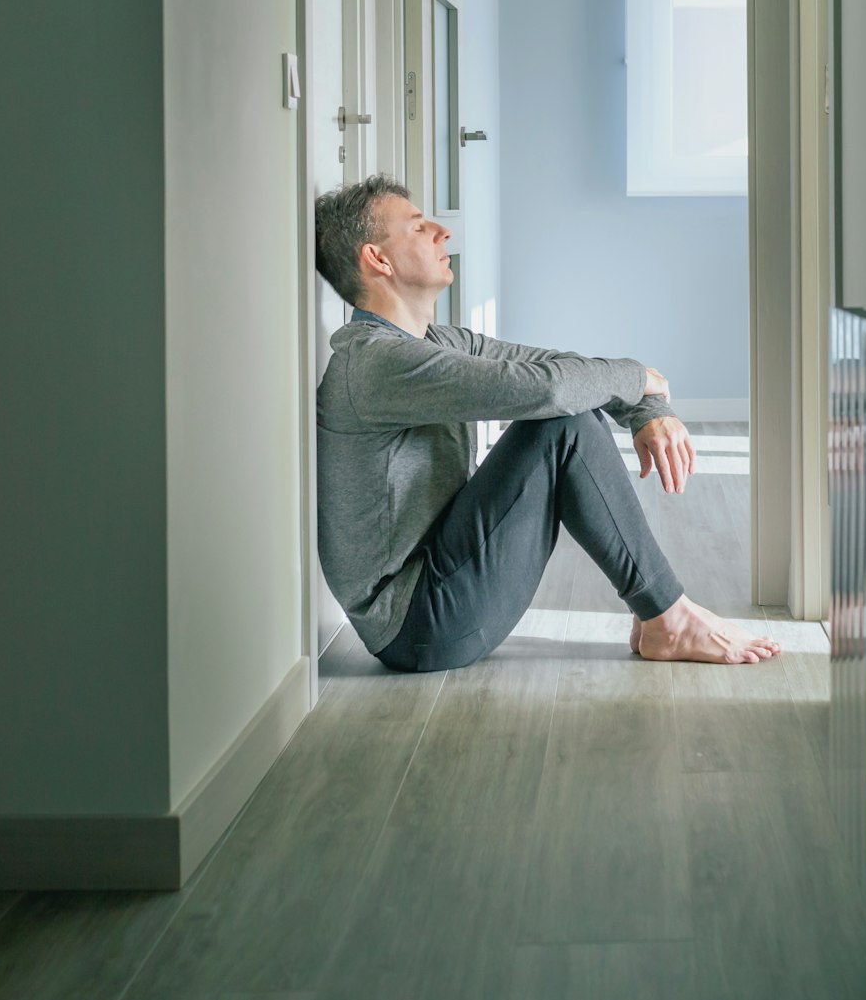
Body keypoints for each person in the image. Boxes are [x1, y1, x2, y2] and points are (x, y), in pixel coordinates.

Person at [312, 175, 783, 673]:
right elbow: (551, 392)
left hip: (443, 589)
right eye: (417, 227)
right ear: (378, 260)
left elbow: (559, 370)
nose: (442, 232)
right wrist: (641, 380)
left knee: (565, 411)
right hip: (418, 626)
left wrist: (648, 407)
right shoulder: (377, 363)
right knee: (561, 425)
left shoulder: (435, 342)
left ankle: (660, 614)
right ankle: (669, 615)